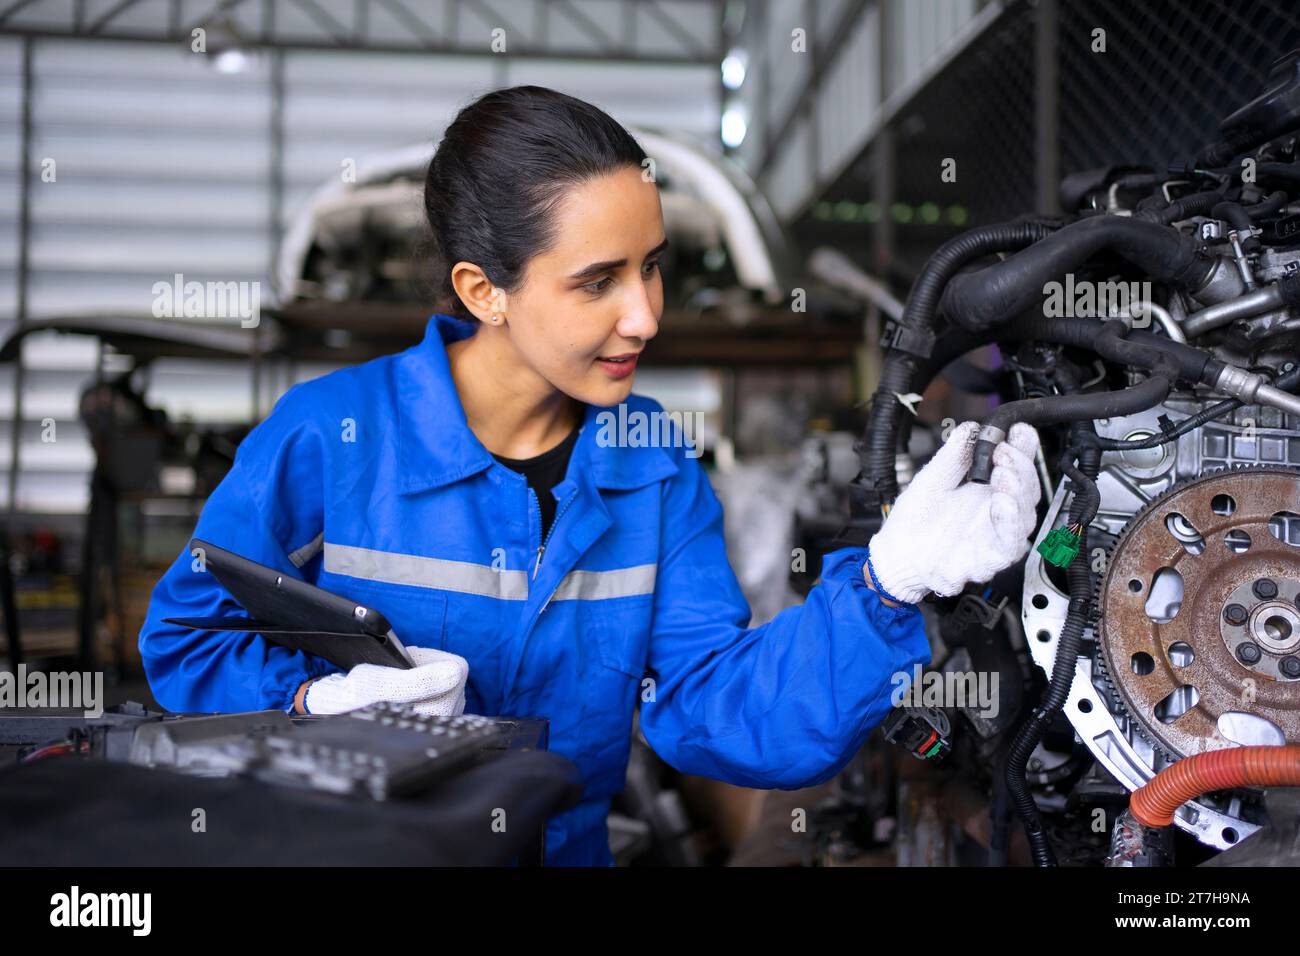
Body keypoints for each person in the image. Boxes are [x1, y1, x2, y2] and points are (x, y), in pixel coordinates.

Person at [140, 86, 1042, 865]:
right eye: (598, 281)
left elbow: (713, 707)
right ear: (482, 290)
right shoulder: (331, 438)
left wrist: (888, 585)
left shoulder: (654, 467)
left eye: (651, 268)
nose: (646, 316)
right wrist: (315, 699)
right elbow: (188, 641)